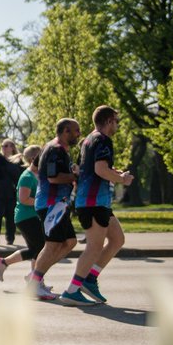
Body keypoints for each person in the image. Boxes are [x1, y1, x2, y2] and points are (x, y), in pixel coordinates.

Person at [57, 106, 134, 306]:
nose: (117, 125)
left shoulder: (89, 140)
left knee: (117, 239)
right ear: (109, 121)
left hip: (96, 201)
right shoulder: (103, 140)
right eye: (116, 121)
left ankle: (90, 279)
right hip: (93, 202)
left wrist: (115, 172)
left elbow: (89, 168)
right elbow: (100, 170)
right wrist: (121, 179)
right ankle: (72, 290)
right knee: (94, 247)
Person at [28, 118, 82, 301]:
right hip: (51, 204)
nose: (79, 134)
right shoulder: (55, 150)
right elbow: (53, 177)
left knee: (70, 241)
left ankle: (36, 276)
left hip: (59, 204)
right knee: (52, 245)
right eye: (76, 130)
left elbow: (34, 167)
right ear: (66, 131)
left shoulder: (54, 149)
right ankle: (34, 283)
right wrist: (75, 175)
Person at [0, 145, 44, 283]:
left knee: (35, 249)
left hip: (31, 216)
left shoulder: (37, 174)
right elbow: (24, 199)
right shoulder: (27, 176)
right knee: (40, 248)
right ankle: (34, 279)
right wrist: (44, 201)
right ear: (34, 158)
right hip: (26, 217)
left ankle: (3, 263)